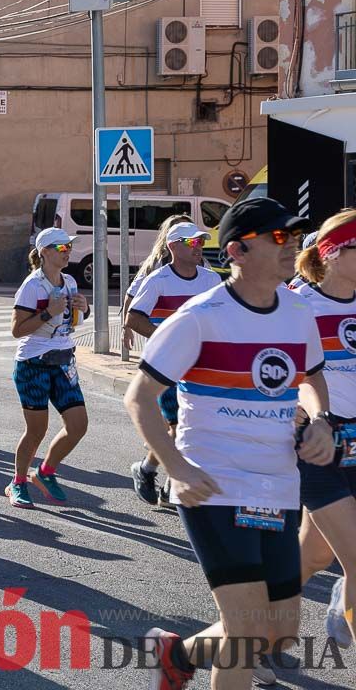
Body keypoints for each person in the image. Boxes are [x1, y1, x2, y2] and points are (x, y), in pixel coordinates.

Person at [124, 197, 335, 690]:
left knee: (278, 634)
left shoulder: (298, 311)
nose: (294, 245)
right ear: (238, 251)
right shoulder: (202, 316)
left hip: (278, 483)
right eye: (279, 237)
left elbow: (312, 378)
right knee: (243, 633)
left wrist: (321, 419)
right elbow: (140, 398)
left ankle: (176, 652)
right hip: (215, 483)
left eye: (295, 235)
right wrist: (175, 467)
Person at [289, 211, 356, 650]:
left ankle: (255, 629)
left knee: (314, 554)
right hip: (319, 442)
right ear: (332, 253)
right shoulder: (296, 305)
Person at [125, 221, 221, 508]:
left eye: (201, 242)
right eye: (192, 243)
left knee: (190, 425)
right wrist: (170, 339)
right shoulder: (159, 280)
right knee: (178, 425)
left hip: (201, 367)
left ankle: (154, 474)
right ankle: (158, 475)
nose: (199, 247)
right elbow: (134, 317)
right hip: (167, 366)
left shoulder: (211, 280)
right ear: (173, 247)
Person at [7, 227, 90, 509]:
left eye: (69, 247)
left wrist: (83, 308)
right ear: (44, 252)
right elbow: (17, 330)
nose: (68, 252)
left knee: (78, 425)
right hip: (34, 364)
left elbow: (73, 322)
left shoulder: (69, 281)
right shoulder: (32, 285)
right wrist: (47, 313)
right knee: (36, 430)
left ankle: (44, 473)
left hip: (64, 360)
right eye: (62, 248)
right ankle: (17, 482)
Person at [119, 214, 194, 353]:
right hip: (162, 346)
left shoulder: (205, 268)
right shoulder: (155, 265)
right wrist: (126, 328)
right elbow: (131, 296)